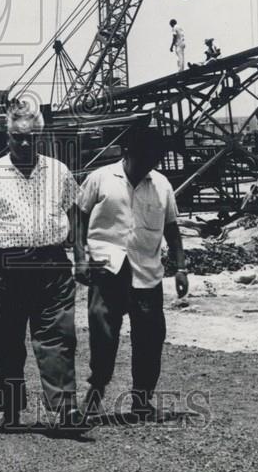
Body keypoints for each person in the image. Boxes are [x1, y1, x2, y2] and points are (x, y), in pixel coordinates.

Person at [0, 103, 87, 435]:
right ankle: (10, 410)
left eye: (31, 138)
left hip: (52, 267)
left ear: (41, 137)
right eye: (18, 138)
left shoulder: (59, 171)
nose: (24, 144)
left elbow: (75, 212)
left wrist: (79, 254)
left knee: (59, 335)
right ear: (7, 136)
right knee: (5, 340)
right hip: (6, 269)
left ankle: (66, 409)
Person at [75, 125, 188, 421]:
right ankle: (95, 391)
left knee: (150, 337)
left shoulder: (161, 185)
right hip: (107, 268)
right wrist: (80, 257)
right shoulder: (100, 178)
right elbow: (78, 216)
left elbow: (172, 229)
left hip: (147, 272)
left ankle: (142, 400)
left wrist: (181, 268)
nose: (148, 165)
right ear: (127, 153)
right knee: (103, 334)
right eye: (143, 158)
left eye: (154, 159)